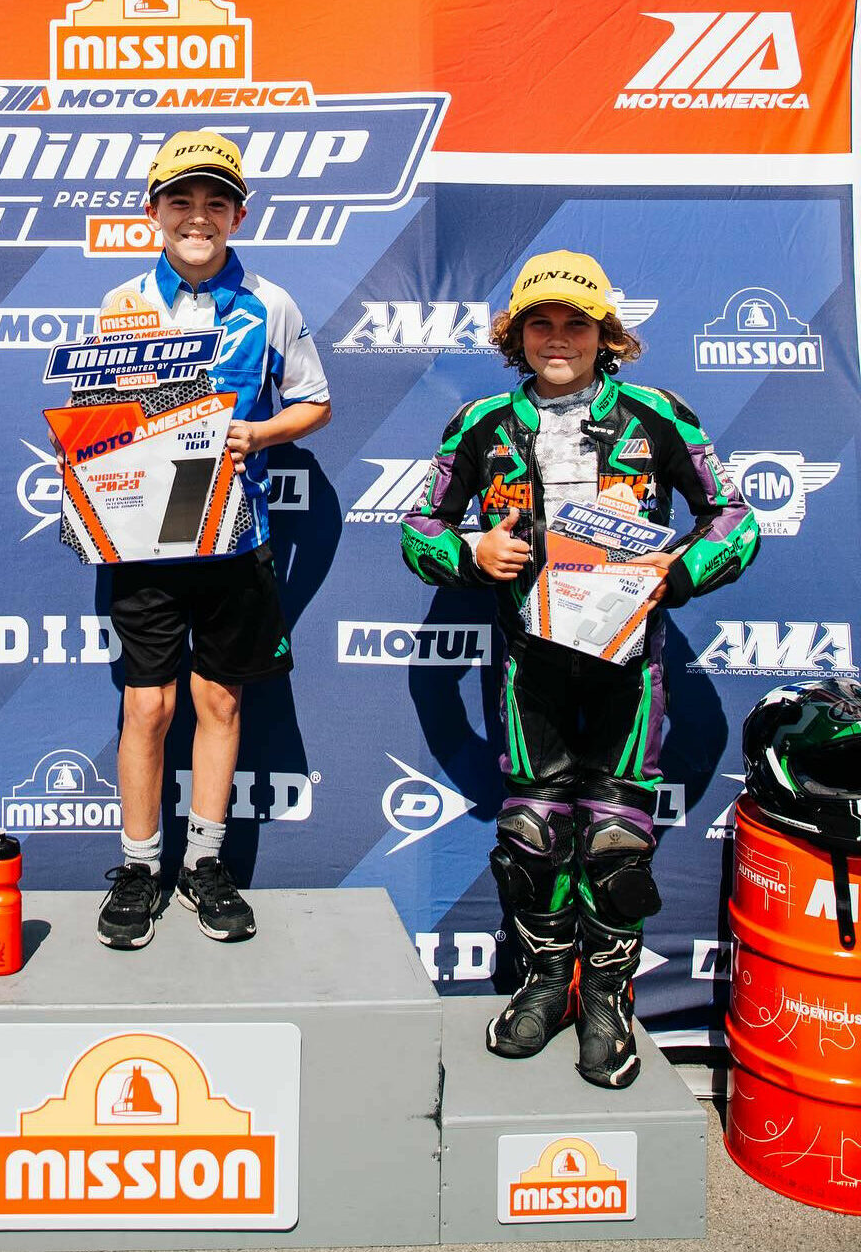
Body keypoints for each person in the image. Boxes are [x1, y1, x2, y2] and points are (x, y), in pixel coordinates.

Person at [400, 249, 759, 1087]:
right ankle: (544, 985)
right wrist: (467, 548)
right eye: (541, 322)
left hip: (629, 663)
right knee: (531, 837)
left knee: (613, 842)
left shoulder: (658, 413)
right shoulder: (481, 423)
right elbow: (419, 526)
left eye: (576, 323)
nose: (558, 338)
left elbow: (734, 515)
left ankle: (607, 1001)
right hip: (531, 660)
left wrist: (680, 571)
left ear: (609, 335)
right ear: (515, 335)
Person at [92, 132, 332, 950]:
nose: (199, 217)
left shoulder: (273, 302)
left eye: (216, 203)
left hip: (237, 537)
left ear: (239, 213)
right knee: (149, 706)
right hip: (145, 541)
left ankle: (202, 861)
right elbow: (97, 423)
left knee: (220, 701)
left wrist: (259, 434)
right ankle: (136, 866)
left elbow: (314, 403)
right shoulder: (122, 302)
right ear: (153, 211)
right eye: (182, 201)